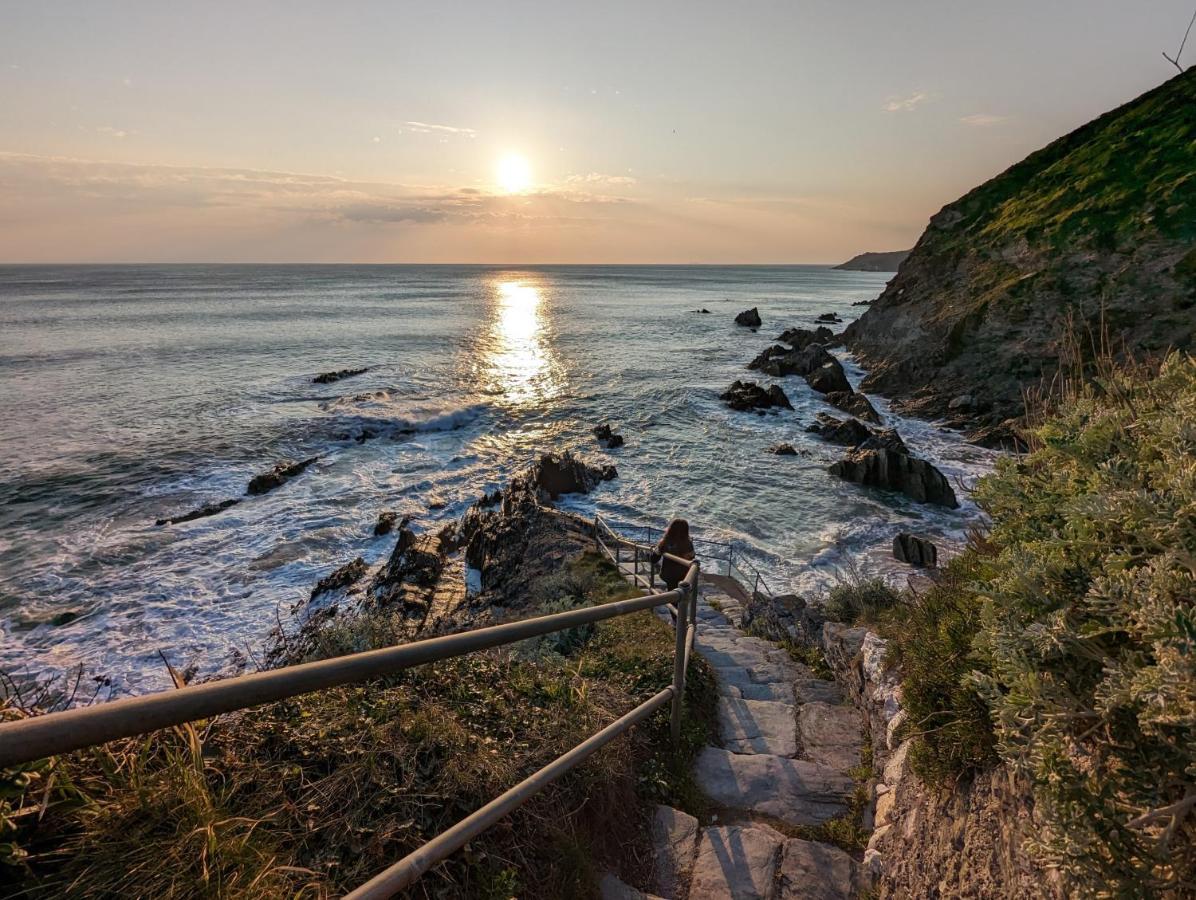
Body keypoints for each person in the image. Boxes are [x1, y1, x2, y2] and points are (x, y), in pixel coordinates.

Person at [653, 518, 696, 590]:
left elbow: (654, 559)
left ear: (671, 528)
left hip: (667, 575)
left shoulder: (664, 542)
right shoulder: (688, 544)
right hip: (683, 575)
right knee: (680, 594)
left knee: (672, 592)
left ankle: (672, 600)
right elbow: (691, 558)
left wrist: (655, 550)